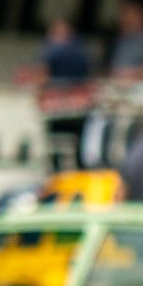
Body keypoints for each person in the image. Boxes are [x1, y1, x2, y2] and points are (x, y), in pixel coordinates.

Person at [38, 9, 98, 171]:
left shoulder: (53, 51)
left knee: (56, 147)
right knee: (78, 146)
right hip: (79, 106)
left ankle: (57, 174)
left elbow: (43, 75)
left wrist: (40, 96)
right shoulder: (83, 50)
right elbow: (90, 78)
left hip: (58, 106)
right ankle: (79, 172)